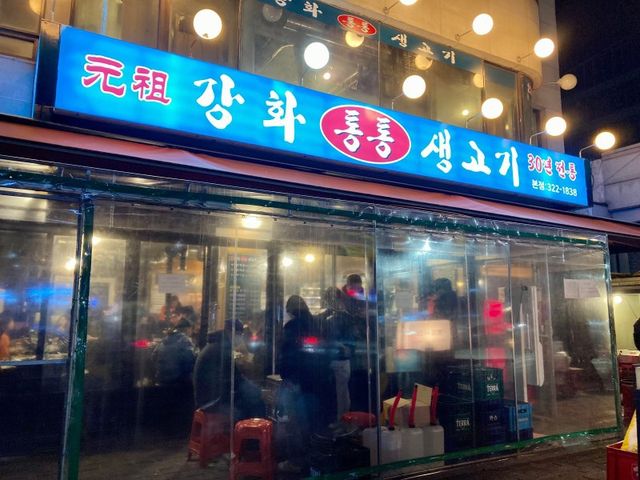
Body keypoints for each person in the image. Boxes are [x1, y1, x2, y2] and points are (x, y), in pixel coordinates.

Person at [193, 319, 263, 420]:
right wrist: (258, 391)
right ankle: (250, 430)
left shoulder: (216, 345)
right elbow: (235, 380)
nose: (240, 338)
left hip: (205, 398)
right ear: (232, 332)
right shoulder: (222, 349)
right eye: (239, 334)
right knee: (254, 403)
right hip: (212, 402)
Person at [153, 314, 196, 386]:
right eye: (191, 329)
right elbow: (190, 361)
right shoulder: (185, 341)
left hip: (161, 379)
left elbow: (154, 356)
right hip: (177, 381)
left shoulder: (166, 338)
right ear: (188, 329)